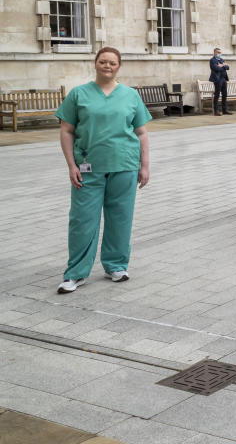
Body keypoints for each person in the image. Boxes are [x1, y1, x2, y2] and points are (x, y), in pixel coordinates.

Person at [55, 47, 151, 293]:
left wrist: (145, 166)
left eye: (112, 63)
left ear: (119, 66)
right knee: (82, 220)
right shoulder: (79, 94)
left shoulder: (130, 95)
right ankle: (75, 273)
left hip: (124, 165)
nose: (107, 66)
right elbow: (66, 130)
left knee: (120, 218)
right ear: (95, 63)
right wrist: (71, 165)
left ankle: (116, 265)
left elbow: (141, 132)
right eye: (103, 61)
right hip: (88, 168)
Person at [209, 47, 231, 115]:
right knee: (217, 95)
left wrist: (222, 65)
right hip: (217, 79)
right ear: (215, 53)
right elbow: (216, 68)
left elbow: (228, 67)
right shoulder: (212, 60)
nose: (219, 54)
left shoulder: (221, 59)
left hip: (224, 79)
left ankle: (224, 110)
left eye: (220, 52)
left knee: (225, 94)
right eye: (218, 52)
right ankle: (216, 111)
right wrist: (223, 66)